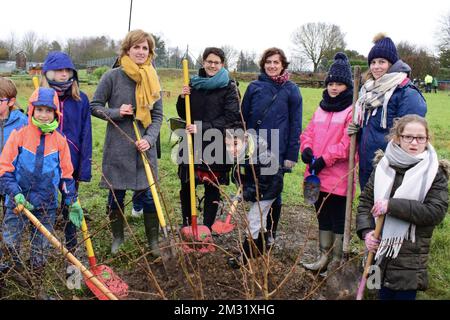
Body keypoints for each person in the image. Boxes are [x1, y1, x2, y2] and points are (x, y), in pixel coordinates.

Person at [0, 87, 83, 299]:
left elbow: (66, 175)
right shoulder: (20, 135)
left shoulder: (60, 140)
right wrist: (15, 193)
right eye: (39, 110)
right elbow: (5, 168)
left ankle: (36, 283)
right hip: (17, 203)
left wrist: (71, 200)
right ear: (32, 110)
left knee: (41, 248)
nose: (43, 115)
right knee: (9, 241)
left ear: (56, 113)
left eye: (48, 110)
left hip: (46, 204)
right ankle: (14, 271)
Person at [356, 115, 448, 300]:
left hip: (409, 258)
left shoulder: (434, 173)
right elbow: (366, 202)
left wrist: (392, 206)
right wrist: (366, 232)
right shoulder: (383, 165)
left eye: (420, 138)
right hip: (378, 250)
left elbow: (434, 212)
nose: (414, 142)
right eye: (408, 137)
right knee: (379, 293)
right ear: (397, 138)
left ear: (427, 139)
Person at [90, 29, 163, 256]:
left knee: (149, 197)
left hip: (144, 150)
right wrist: (117, 112)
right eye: (136, 47)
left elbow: (158, 115)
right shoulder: (112, 76)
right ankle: (118, 238)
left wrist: (150, 140)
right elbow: (94, 106)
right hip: (118, 150)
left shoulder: (152, 77)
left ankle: (153, 242)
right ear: (127, 50)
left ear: (150, 52)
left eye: (145, 48)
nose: (141, 52)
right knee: (116, 196)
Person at [348, 33, 426, 190]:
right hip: (368, 164)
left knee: (387, 211)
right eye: (373, 62)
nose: (376, 66)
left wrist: (394, 163)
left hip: (392, 167)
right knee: (368, 208)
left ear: (392, 63)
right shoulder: (368, 91)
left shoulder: (406, 92)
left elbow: (412, 135)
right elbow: (371, 126)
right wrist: (358, 131)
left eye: (382, 62)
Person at [300, 53, 355, 275]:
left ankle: (336, 263)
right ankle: (323, 257)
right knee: (321, 214)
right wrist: (306, 149)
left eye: (339, 84)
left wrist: (325, 159)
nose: (334, 88)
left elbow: (348, 145)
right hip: (315, 174)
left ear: (347, 86)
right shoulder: (321, 108)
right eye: (331, 83)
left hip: (338, 176)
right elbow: (309, 132)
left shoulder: (352, 111)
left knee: (337, 218)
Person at [241, 47, 302, 246]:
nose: (272, 66)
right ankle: (256, 236)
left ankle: (270, 234)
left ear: (283, 65)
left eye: (276, 62)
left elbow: (296, 124)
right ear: (263, 64)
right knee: (254, 190)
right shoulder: (254, 87)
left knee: (273, 194)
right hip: (254, 150)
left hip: (278, 150)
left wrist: (291, 154)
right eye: (268, 62)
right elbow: (243, 119)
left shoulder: (291, 89)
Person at [176, 47, 240, 230]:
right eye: (209, 61)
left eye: (216, 62)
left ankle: (208, 227)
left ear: (222, 64)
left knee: (212, 188)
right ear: (203, 62)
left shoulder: (229, 86)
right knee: (187, 185)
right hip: (192, 143)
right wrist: (182, 97)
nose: (212, 65)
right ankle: (188, 224)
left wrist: (202, 128)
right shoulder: (194, 83)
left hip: (216, 144)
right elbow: (183, 113)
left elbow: (231, 117)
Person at [41, 51, 92, 253]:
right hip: (46, 163)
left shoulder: (81, 100)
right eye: (58, 70)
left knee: (71, 205)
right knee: (47, 204)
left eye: (67, 70)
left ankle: (72, 246)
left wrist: (83, 167)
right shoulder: (42, 101)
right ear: (49, 73)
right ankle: (43, 247)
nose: (63, 74)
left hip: (71, 162)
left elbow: (86, 134)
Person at [225, 127, 283, 269]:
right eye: (228, 145)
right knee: (260, 220)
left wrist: (244, 194)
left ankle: (244, 257)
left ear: (245, 141)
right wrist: (240, 183)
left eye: (235, 144)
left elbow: (261, 184)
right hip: (259, 187)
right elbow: (243, 173)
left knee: (253, 219)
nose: (231, 149)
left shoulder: (260, 156)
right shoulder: (242, 153)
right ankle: (260, 251)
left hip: (268, 190)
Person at [0, 77, 28, 222]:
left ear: (11, 102)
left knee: (9, 213)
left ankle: (7, 239)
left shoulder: (23, 122)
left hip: (10, 177)